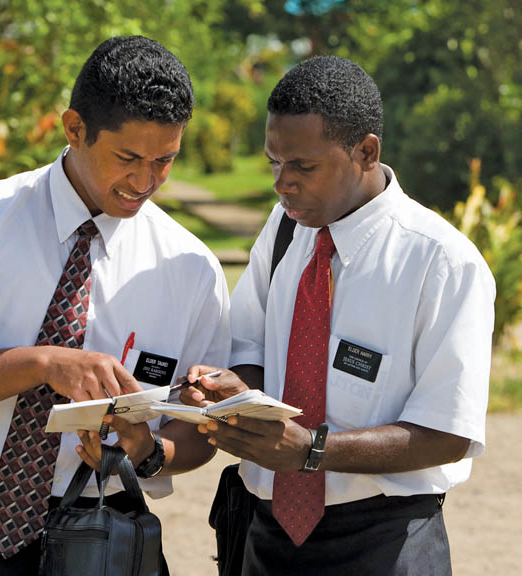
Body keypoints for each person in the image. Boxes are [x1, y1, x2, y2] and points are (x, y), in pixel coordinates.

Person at [0, 35, 230, 574]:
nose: (145, 181)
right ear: (74, 128)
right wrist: (42, 363)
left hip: (107, 535)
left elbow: (198, 428)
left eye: (165, 160)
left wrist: (147, 453)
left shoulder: (190, 266)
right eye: (128, 158)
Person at [182, 55, 495, 575]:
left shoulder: (440, 262)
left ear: (366, 151)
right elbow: (250, 350)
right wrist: (235, 393)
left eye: (304, 166)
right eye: (273, 163)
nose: (283, 184)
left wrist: (310, 451)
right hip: (267, 537)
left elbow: (448, 432)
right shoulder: (285, 232)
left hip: (384, 543)